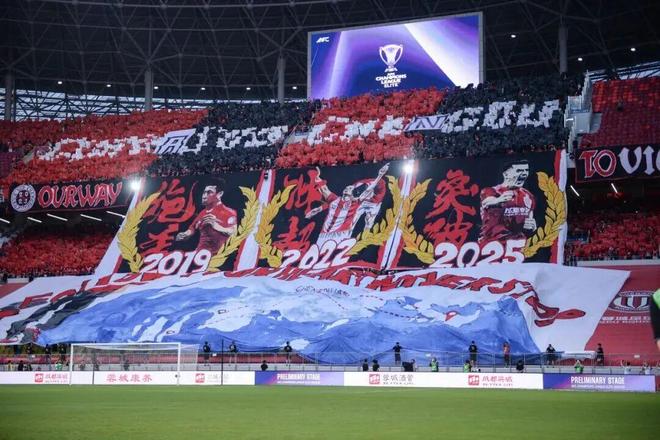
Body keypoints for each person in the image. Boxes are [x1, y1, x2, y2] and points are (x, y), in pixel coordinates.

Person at [306, 164, 389, 246]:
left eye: (350, 188)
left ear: (352, 193)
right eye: (346, 188)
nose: (347, 188)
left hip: (341, 235)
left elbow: (368, 190)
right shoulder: (334, 199)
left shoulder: (356, 202)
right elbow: (324, 189)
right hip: (323, 234)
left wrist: (380, 175)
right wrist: (317, 177)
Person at [479, 159, 537, 243]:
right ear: (506, 174)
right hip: (492, 243)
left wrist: (532, 226)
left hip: (517, 243)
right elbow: (486, 203)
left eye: (526, 170)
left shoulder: (528, 195)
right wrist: (499, 200)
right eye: (519, 170)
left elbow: (529, 220)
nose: (524, 173)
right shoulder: (491, 191)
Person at [175, 181, 238, 255]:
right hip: (201, 255)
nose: (204, 196)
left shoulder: (229, 212)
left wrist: (218, 227)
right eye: (204, 192)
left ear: (219, 194)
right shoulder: (203, 213)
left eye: (209, 192)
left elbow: (234, 232)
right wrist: (185, 234)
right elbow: (192, 228)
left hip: (219, 256)